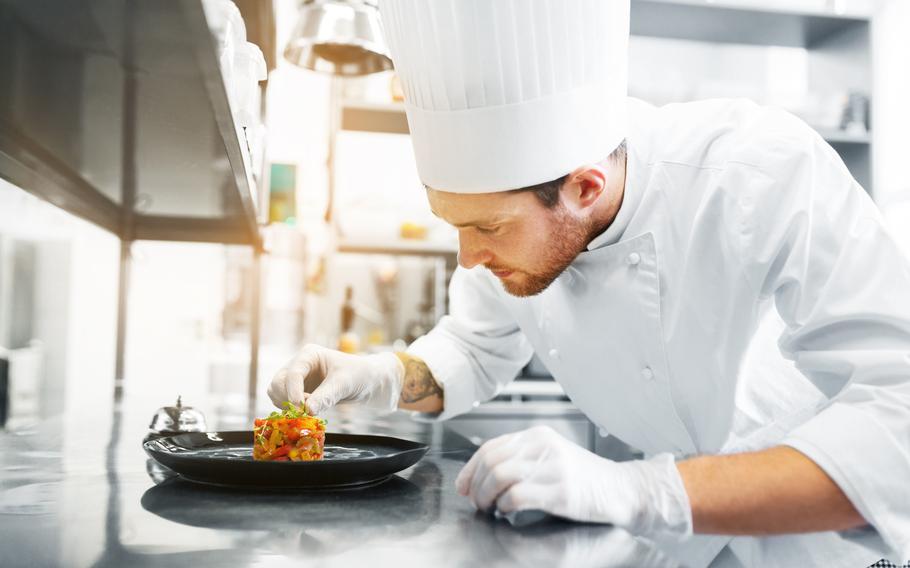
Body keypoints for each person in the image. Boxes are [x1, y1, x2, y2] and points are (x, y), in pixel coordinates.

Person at [268, 1, 910, 565]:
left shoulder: (759, 171)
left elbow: (899, 422)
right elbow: (472, 347)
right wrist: (378, 375)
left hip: (830, 541)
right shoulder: (518, 223)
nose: (469, 258)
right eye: (453, 225)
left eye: (486, 227)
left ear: (584, 187)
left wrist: (640, 491)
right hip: (677, 543)